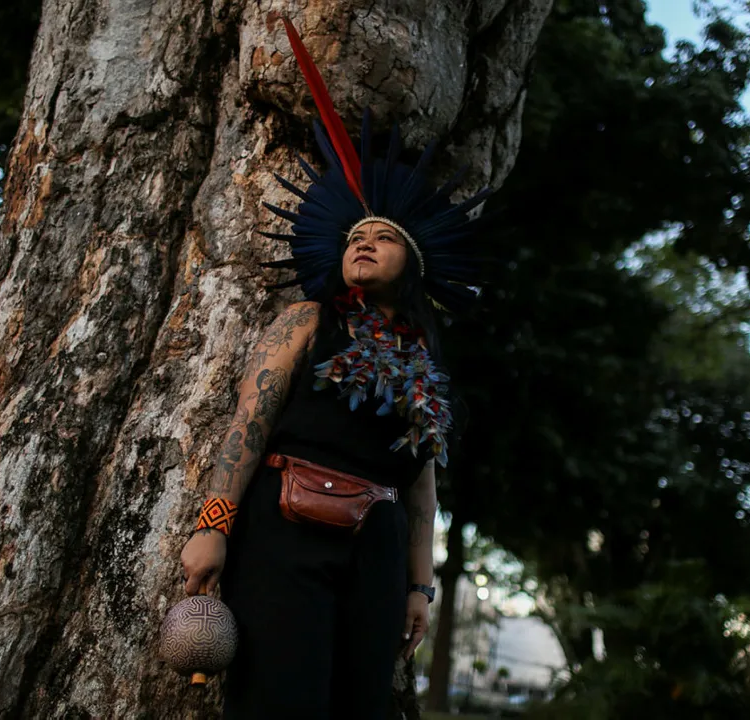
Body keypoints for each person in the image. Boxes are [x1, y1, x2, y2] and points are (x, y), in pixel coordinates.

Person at [179, 17, 488, 719]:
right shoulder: (308, 322)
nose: (365, 242)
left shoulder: (423, 363)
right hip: (283, 530)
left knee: (360, 705)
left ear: (414, 262)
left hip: (376, 547)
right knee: (278, 699)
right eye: (355, 236)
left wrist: (420, 588)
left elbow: (421, 488)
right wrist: (213, 524)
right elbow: (244, 429)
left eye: (382, 236)